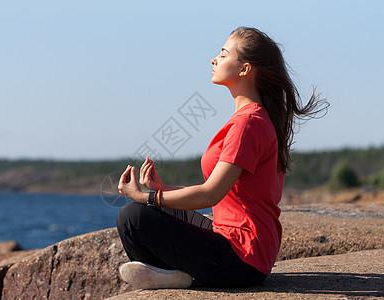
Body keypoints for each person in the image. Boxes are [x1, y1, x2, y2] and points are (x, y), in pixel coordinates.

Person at [116, 26, 328, 289]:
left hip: (241, 256)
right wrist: (162, 191)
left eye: (224, 54)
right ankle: (172, 276)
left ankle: (174, 277)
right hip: (239, 249)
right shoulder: (251, 119)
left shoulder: (248, 123)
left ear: (245, 69)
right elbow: (224, 194)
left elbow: (210, 194)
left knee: (133, 218)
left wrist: (145, 196)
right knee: (145, 212)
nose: (214, 59)